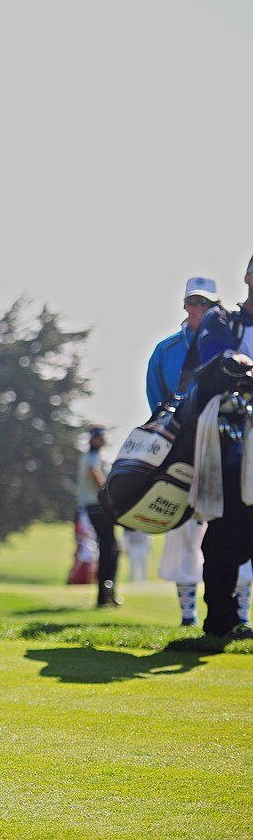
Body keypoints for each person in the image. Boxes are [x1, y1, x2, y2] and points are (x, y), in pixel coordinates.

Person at [143, 276, 244, 625]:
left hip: (226, 440)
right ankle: (187, 614)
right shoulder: (167, 350)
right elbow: (157, 399)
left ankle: (239, 612)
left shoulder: (228, 334)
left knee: (234, 527)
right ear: (185, 306)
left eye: (206, 304)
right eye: (193, 303)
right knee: (183, 532)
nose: (199, 309)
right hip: (182, 445)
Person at [190, 256, 253, 637]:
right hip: (232, 435)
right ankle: (221, 619)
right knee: (228, 529)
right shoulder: (223, 319)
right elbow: (216, 361)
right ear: (247, 277)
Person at [78, 425, 121, 607]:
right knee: (109, 549)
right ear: (94, 439)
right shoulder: (93, 457)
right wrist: (108, 493)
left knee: (109, 548)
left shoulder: (90, 456)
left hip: (95, 507)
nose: (104, 440)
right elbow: (94, 473)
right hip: (98, 507)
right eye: (101, 437)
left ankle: (105, 593)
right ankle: (105, 593)